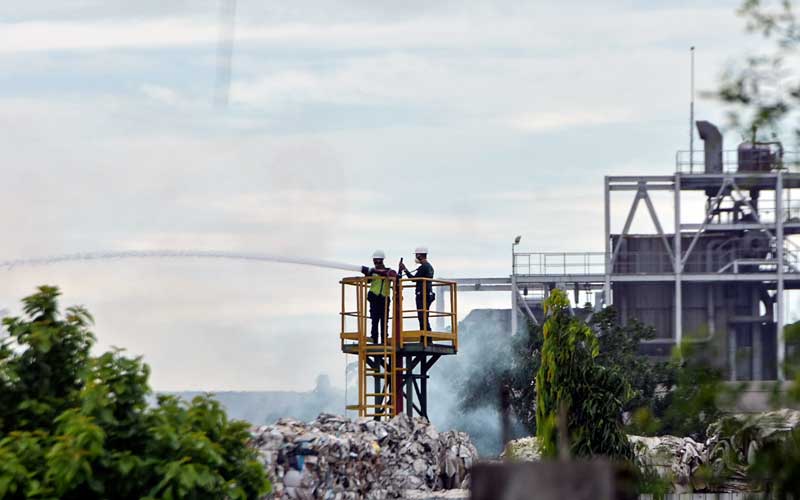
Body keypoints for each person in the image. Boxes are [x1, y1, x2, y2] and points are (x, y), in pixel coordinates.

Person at [360, 250, 396, 344]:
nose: (375, 262)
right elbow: (368, 281)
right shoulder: (372, 272)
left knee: (384, 321)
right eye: (374, 260)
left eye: (377, 260)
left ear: (381, 260)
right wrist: (366, 272)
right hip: (374, 298)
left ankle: (384, 341)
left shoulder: (389, 271)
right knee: (374, 320)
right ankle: (375, 340)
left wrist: (375, 271)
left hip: (384, 298)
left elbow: (391, 275)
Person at [399, 246, 435, 331]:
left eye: (416, 255)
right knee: (424, 316)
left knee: (422, 317)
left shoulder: (424, 267)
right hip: (428, 294)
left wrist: (405, 269)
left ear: (419, 255)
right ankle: (426, 336)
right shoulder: (429, 266)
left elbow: (413, 279)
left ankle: (425, 336)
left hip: (422, 295)